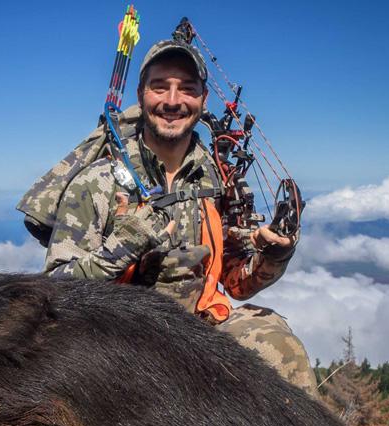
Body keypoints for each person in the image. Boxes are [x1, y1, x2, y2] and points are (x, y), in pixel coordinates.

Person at [40, 40, 319, 398]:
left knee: (281, 351)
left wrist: (274, 256)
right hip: (118, 339)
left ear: (203, 100)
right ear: (141, 95)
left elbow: (235, 284)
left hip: (201, 326)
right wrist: (124, 246)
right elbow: (52, 295)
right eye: (160, 87)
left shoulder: (215, 178)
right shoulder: (98, 183)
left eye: (187, 89)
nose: (173, 101)